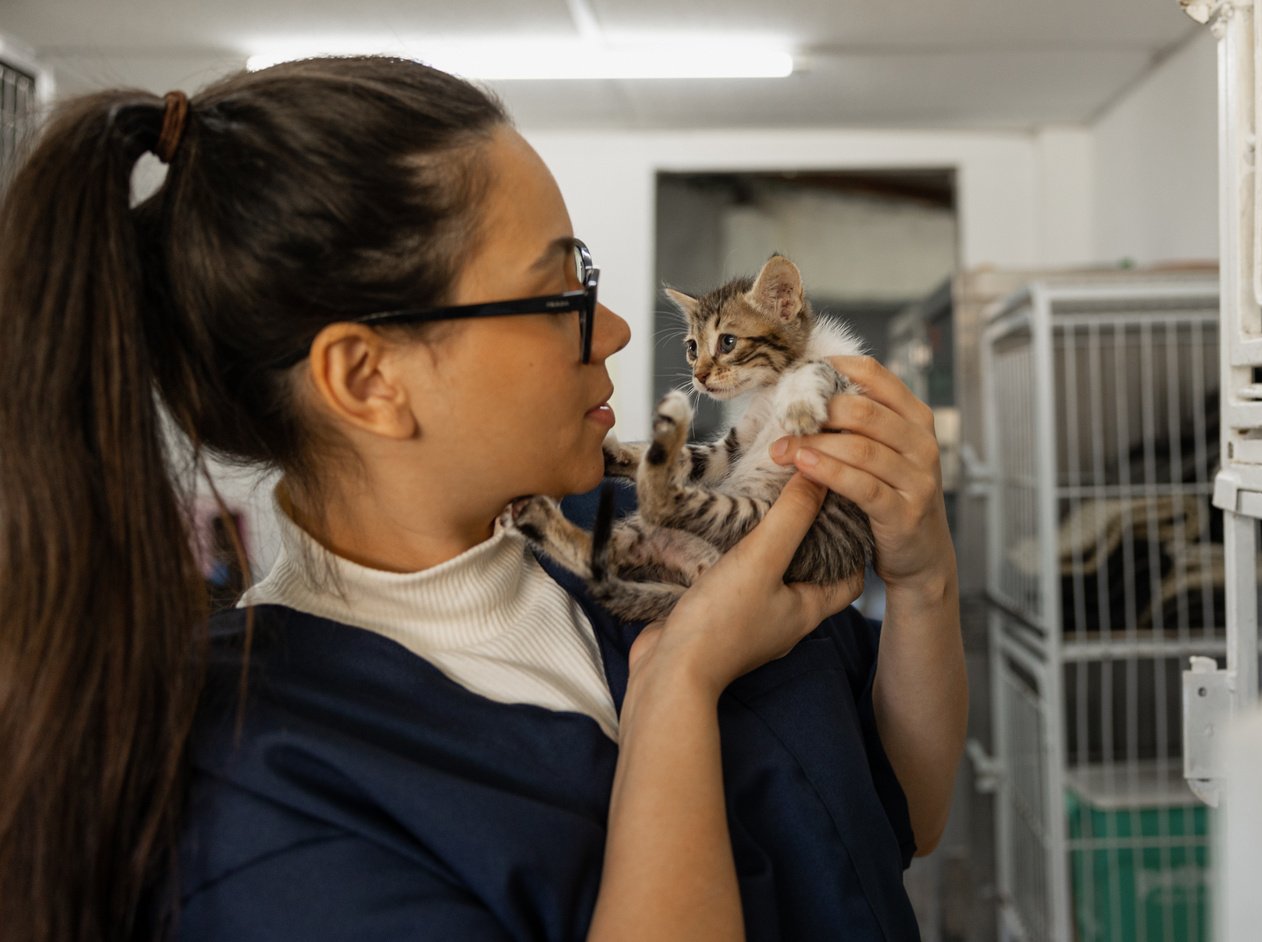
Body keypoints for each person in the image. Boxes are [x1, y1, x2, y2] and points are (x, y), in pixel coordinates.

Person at [0, 56, 967, 941]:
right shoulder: (253, 788)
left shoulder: (648, 526)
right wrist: (679, 688)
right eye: (560, 292)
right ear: (369, 379)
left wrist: (922, 576)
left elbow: (905, 816)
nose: (619, 329)